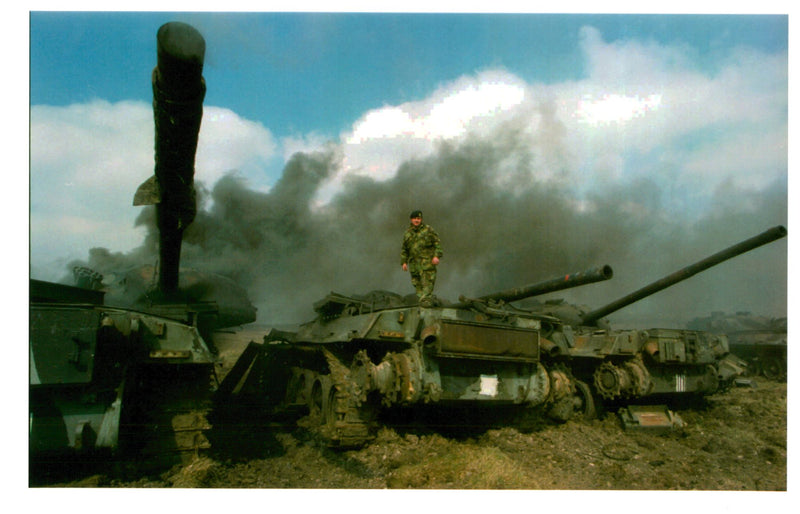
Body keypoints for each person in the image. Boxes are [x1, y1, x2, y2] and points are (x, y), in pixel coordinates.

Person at [400, 210, 443, 306]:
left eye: (418, 218)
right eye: (415, 218)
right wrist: (404, 262)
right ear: (411, 220)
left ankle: (426, 302)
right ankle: (422, 302)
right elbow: (404, 249)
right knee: (417, 284)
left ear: (421, 219)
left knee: (427, 283)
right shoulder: (407, 233)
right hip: (414, 264)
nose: (417, 220)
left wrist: (436, 256)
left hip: (426, 262)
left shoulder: (428, 230)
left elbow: (437, 243)